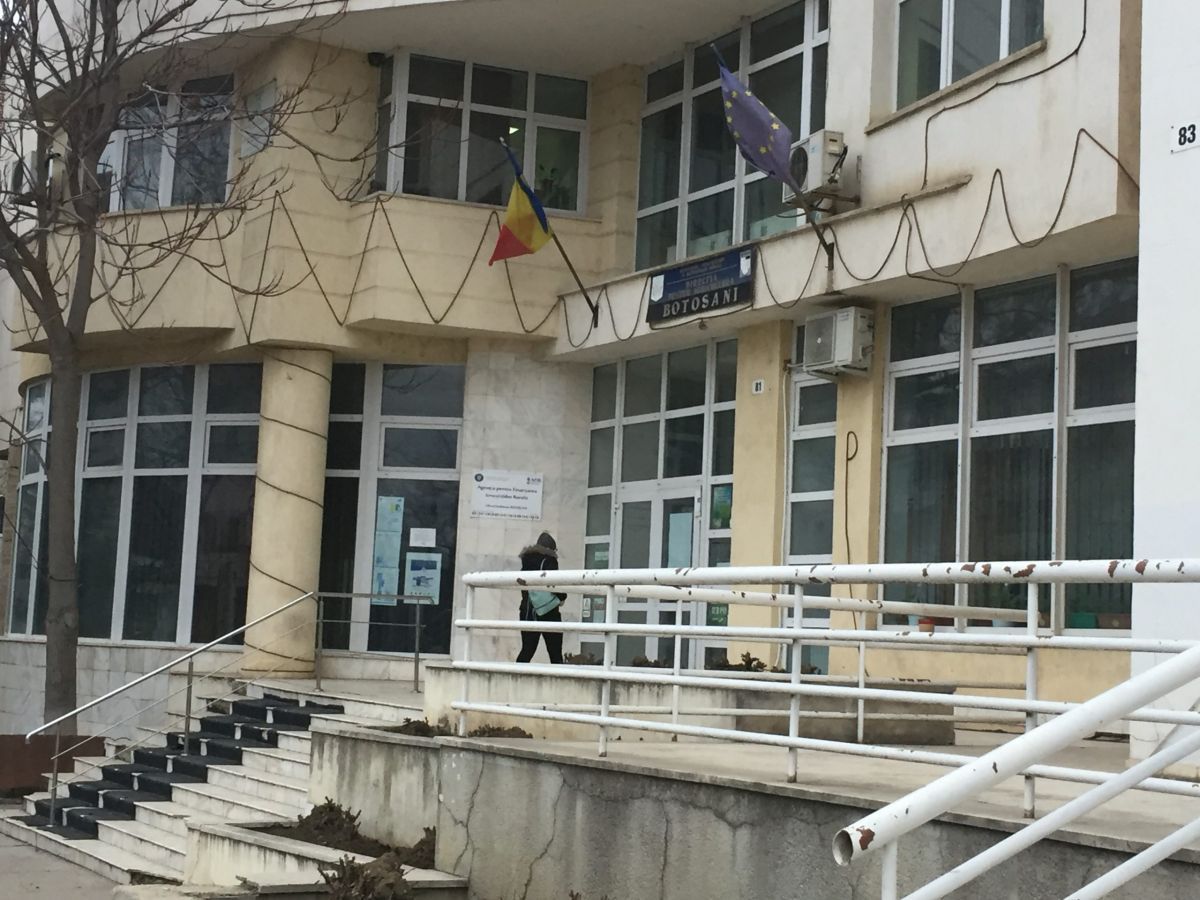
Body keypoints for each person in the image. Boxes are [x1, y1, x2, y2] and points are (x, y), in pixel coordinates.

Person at [516, 532, 567, 664]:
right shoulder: (549, 560)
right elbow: (555, 584)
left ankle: (515, 674)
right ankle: (558, 677)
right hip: (549, 611)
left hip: (527, 611)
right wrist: (563, 597)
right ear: (551, 549)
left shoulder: (526, 562)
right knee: (555, 653)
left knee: (527, 650)